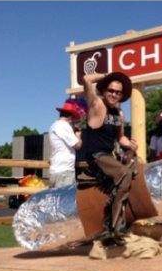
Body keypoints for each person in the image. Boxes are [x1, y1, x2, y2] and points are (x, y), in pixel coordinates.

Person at [80, 71, 138, 243]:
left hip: (110, 155)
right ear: (104, 90)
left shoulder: (119, 114)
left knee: (135, 165)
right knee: (124, 174)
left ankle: (128, 215)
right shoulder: (96, 103)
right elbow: (86, 79)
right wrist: (108, 75)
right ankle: (113, 227)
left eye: (118, 92)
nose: (114, 94)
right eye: (111, 90)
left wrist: (131, 145)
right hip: (97, 156)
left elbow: (120, 138)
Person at [48, 100, 83, 187]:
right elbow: (77, 145)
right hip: (64, 172)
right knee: (66, 200)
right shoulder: (64, 126)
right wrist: (78, 135)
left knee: (55, 200)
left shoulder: (53, 126)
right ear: (70, 117)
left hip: (55, 170)